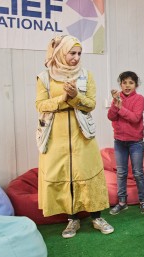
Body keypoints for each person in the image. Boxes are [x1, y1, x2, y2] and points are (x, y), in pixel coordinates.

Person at [35, 35, 113, 238]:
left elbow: (91, 104)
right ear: (61, 53)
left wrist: (76, 97)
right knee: (65, 176)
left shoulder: (86, 75)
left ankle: (97, 216)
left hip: (83, 135)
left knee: (88, 173)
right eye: (72, 53)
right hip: (54, 137)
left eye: (79, 53)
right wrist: (63, 98)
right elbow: (40, 105)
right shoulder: (44, 77)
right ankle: (72, 220)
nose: (76, 57)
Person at [107, 71, 144, 215]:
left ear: (136, 85)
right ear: (120, 84)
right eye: (124, 82)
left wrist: (120, 107)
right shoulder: (117, 98)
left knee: (138, 172)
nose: (127, 85)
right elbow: (111, 116)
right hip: (119, 142)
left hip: (135, 142)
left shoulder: (139, 99)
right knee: (121, 173)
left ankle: (143, 201)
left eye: (130, 82)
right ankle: (122, 202)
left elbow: (135, 118)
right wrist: (115, 104)